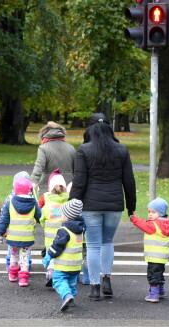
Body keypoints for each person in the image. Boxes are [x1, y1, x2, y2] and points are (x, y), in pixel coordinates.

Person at [69, 113, 136, 301]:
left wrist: (72, 204)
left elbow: (79, 181)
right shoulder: (121, 150)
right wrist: (131, 207)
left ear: (89, 129)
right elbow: (129, 181)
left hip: (91, 205)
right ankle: (107, 280)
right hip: (114, 205)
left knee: (92, 245)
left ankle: (94, 286)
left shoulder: (84, 150)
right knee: (107, 242)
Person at [0, 177, 41, 287]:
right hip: (27, 237)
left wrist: (0, 232)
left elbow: (4, 219)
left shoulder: (10, 202)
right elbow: (40, 217)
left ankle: (12, 275)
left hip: (13, 237)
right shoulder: (33, 203)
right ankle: (23, 279)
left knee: (14, 255)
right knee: (25, 257)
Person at [42, 199, 85, 312]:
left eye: (62, 213)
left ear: (67, 216)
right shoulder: (80, 230)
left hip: (63, 265)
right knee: (71, 282)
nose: (60, 215)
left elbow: (57, 246)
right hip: (76, 266)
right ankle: (71, 298)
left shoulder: (63, 230)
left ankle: (67, 296)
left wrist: (48, 256)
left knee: (58, 280)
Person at [129, 197, 169, 303]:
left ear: (161, 213)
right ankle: (161, 291)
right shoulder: (168, 223)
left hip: (153, 257)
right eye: (149, 212)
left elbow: (142, 224)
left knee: (153, 275)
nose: (150, 214)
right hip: (163, 257)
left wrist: (133, 217)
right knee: (159, 273)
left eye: (153, 212)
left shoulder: (153, 225)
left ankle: (154, 295)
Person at [0, 171, 34, 272]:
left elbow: (4, 213)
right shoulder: (32, 199)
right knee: (26, 249)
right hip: (27, 230)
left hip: (12, 229)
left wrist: (0, 228)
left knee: (12, 248)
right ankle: (26, 265)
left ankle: (11, 265)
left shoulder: (10, 198)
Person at [39, 169, 70, 287]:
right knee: (62, 253)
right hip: (64, 233)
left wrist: (45, 226)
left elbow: (41, 218)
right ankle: (62, 273)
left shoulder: (46, 201)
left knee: (51, 252)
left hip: (49, 235)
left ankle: (50, 272)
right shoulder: (68, 199)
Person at [30, 121, 76, 197]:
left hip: (49, 187)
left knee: (49, 208)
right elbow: (77, 169)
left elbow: (39, 166)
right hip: (68, 187)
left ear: (45, 133)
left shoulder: (43, 148)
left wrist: (33, 181)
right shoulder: (71, 147)